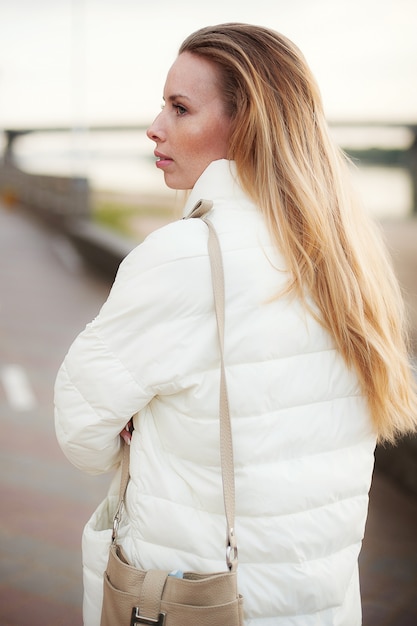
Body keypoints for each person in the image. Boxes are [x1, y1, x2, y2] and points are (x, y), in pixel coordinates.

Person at [54, 23, 417, 625]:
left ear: (244, 124)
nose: (155, 126)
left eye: (180, 107)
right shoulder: (349, 261)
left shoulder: (182, 258)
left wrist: (140, 421)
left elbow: (80, 433)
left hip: (198, 599)